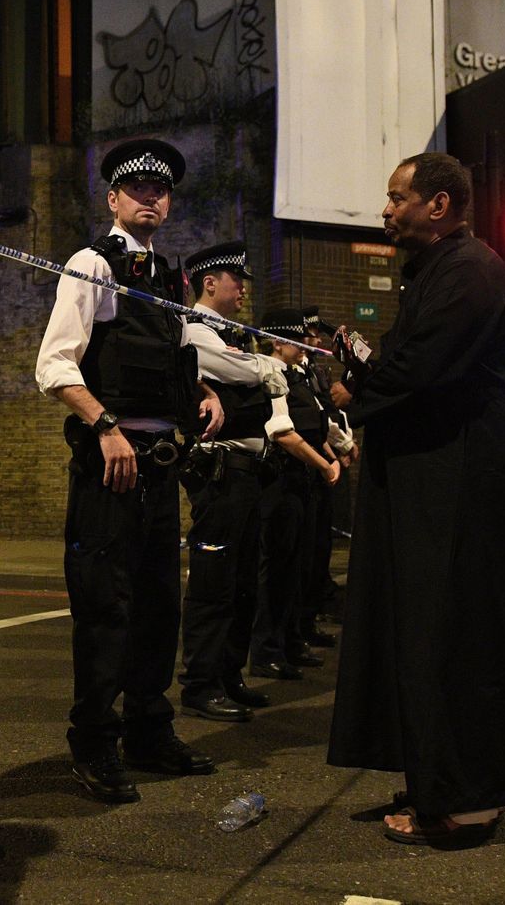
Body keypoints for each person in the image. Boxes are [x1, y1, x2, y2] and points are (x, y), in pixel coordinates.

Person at [326, 152, 505, 848]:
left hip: (458, 490)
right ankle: (438, 778)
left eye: (396, 197)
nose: (386, 210)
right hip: (431, 484)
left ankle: (466, 804)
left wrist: (357, 391)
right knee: (421, 631)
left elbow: (423, 367)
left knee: (453, 632)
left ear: (438, 205)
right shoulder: (441, 271)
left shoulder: (468, 270)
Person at [35, 138, 223, 804]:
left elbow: (167, 363)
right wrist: (104, 425)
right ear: (113, 199)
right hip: (110, 468)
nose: (150, 196)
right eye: (136, 188)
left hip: (160, 469)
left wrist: (202, 396)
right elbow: (55, 364)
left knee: (156, 609)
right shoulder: (93, 264)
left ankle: (149, 730)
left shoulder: (170, 280)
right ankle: (94, 741)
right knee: (105, 609)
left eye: (160, 189)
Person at [175, 245, 292, 718]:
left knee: (243, 582)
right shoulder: (195, 329)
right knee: (214, 581)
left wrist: (258, 370)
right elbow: (229, 368)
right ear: (208, 283)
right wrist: (267, 368)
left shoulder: (227, 333)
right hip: (220, 473)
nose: (242, 288)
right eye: (235, 279)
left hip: (247, 473)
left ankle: (228, 673)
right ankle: (200, 683)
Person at [251, 308, 348, 677]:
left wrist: (330, 454)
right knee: (276, 568)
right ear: (279, 341)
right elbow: (283, 433)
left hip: (302, 479)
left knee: (297, 566)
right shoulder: (270, 372)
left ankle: (291, 640)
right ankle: (266, 651)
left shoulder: (297, 375)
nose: (307, 344)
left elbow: (313, 426)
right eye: (298, 338)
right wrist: (325, 464)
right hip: (282, 478)